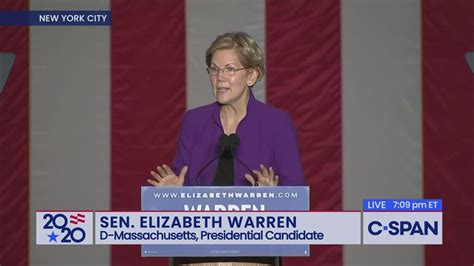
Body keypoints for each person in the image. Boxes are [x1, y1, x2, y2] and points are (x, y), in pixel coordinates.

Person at [147, 31, 304, 187]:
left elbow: (296, 197)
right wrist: (171, 194)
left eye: (230, 69)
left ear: (252, 76)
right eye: (214, 69)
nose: (219, 78)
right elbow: (181, 183)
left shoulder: (277, 123)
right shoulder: (194, 121)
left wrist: (274, 199)